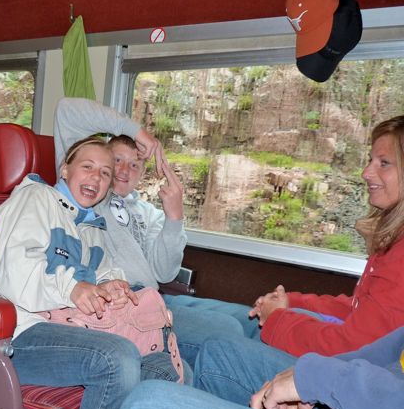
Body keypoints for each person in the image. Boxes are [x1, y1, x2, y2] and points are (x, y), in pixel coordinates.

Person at [0, 136, 187, 409]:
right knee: (117, 357)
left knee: (167, 368)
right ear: (65, 169)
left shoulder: (91, 227)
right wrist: (72, 288)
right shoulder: (35, 199)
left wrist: (113, 287)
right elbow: (12, 269)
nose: (96, 177)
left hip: (65, 326)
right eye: (88, 167)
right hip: (11, 332)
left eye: (105, 173)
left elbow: (106, 273)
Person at [164, 115, 404, 358]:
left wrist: (277, 319)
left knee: (217, 349)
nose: (366, 173)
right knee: (188, 308)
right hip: (340, 354)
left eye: (384, 163)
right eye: (370, 161)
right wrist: (291, 302)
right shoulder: (393, 243)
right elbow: (356, 309)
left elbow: (354, 347)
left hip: (339, 368)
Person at [53, 98, 245, 365]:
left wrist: (174, 217)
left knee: (240, 321)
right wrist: (135, 131)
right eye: (116, 160)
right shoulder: (90, 193)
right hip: (118, 300)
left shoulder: (150, 213)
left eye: (134, 165)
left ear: (143, 173)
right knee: (228, 332)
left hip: (153, 299)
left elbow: (165, 273)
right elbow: (66, 111)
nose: (123, 170)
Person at [111, 328, 404, 409]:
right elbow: (386, 355)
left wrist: (323, 379)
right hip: (380, 402)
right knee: (219, 354)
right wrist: (311, 384)